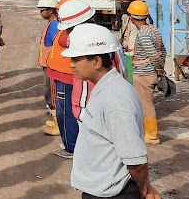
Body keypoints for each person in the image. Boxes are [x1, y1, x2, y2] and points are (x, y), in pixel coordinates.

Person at [64, 23, 162, 199]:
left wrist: (144, 188)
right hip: (103, 189)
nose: (71, 65)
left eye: (76, 59)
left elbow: (136, 159)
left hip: (114, 194)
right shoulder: (105, 88)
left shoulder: (115, 98)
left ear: (96, 61)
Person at [48, 0, 95, 158]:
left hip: (68, 77)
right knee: (68, 111)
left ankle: (72, 146)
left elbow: (63, 40)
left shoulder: (74, 35)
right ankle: (72, 142)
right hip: (66, 76)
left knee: (67, 112)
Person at [128, 0, 166, 145]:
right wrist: (159, 69)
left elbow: (154, 55)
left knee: (145, 105)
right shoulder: (154, 30)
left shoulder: (143, 34)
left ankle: (151, 136)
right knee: (146, 102)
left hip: (144, 74)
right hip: (150, 73)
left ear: (132, 18)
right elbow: (162, 51)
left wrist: (158, 69)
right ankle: (148, 133)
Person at [36, 0, 61, 137]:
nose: (41, 13)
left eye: (42, 10)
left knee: (51, 93)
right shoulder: (52, 24)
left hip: (51, 64)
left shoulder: (54, 25)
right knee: (50, 93)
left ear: (51, 10)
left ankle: (58, 125)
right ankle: (55, 120)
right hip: (47, 63)